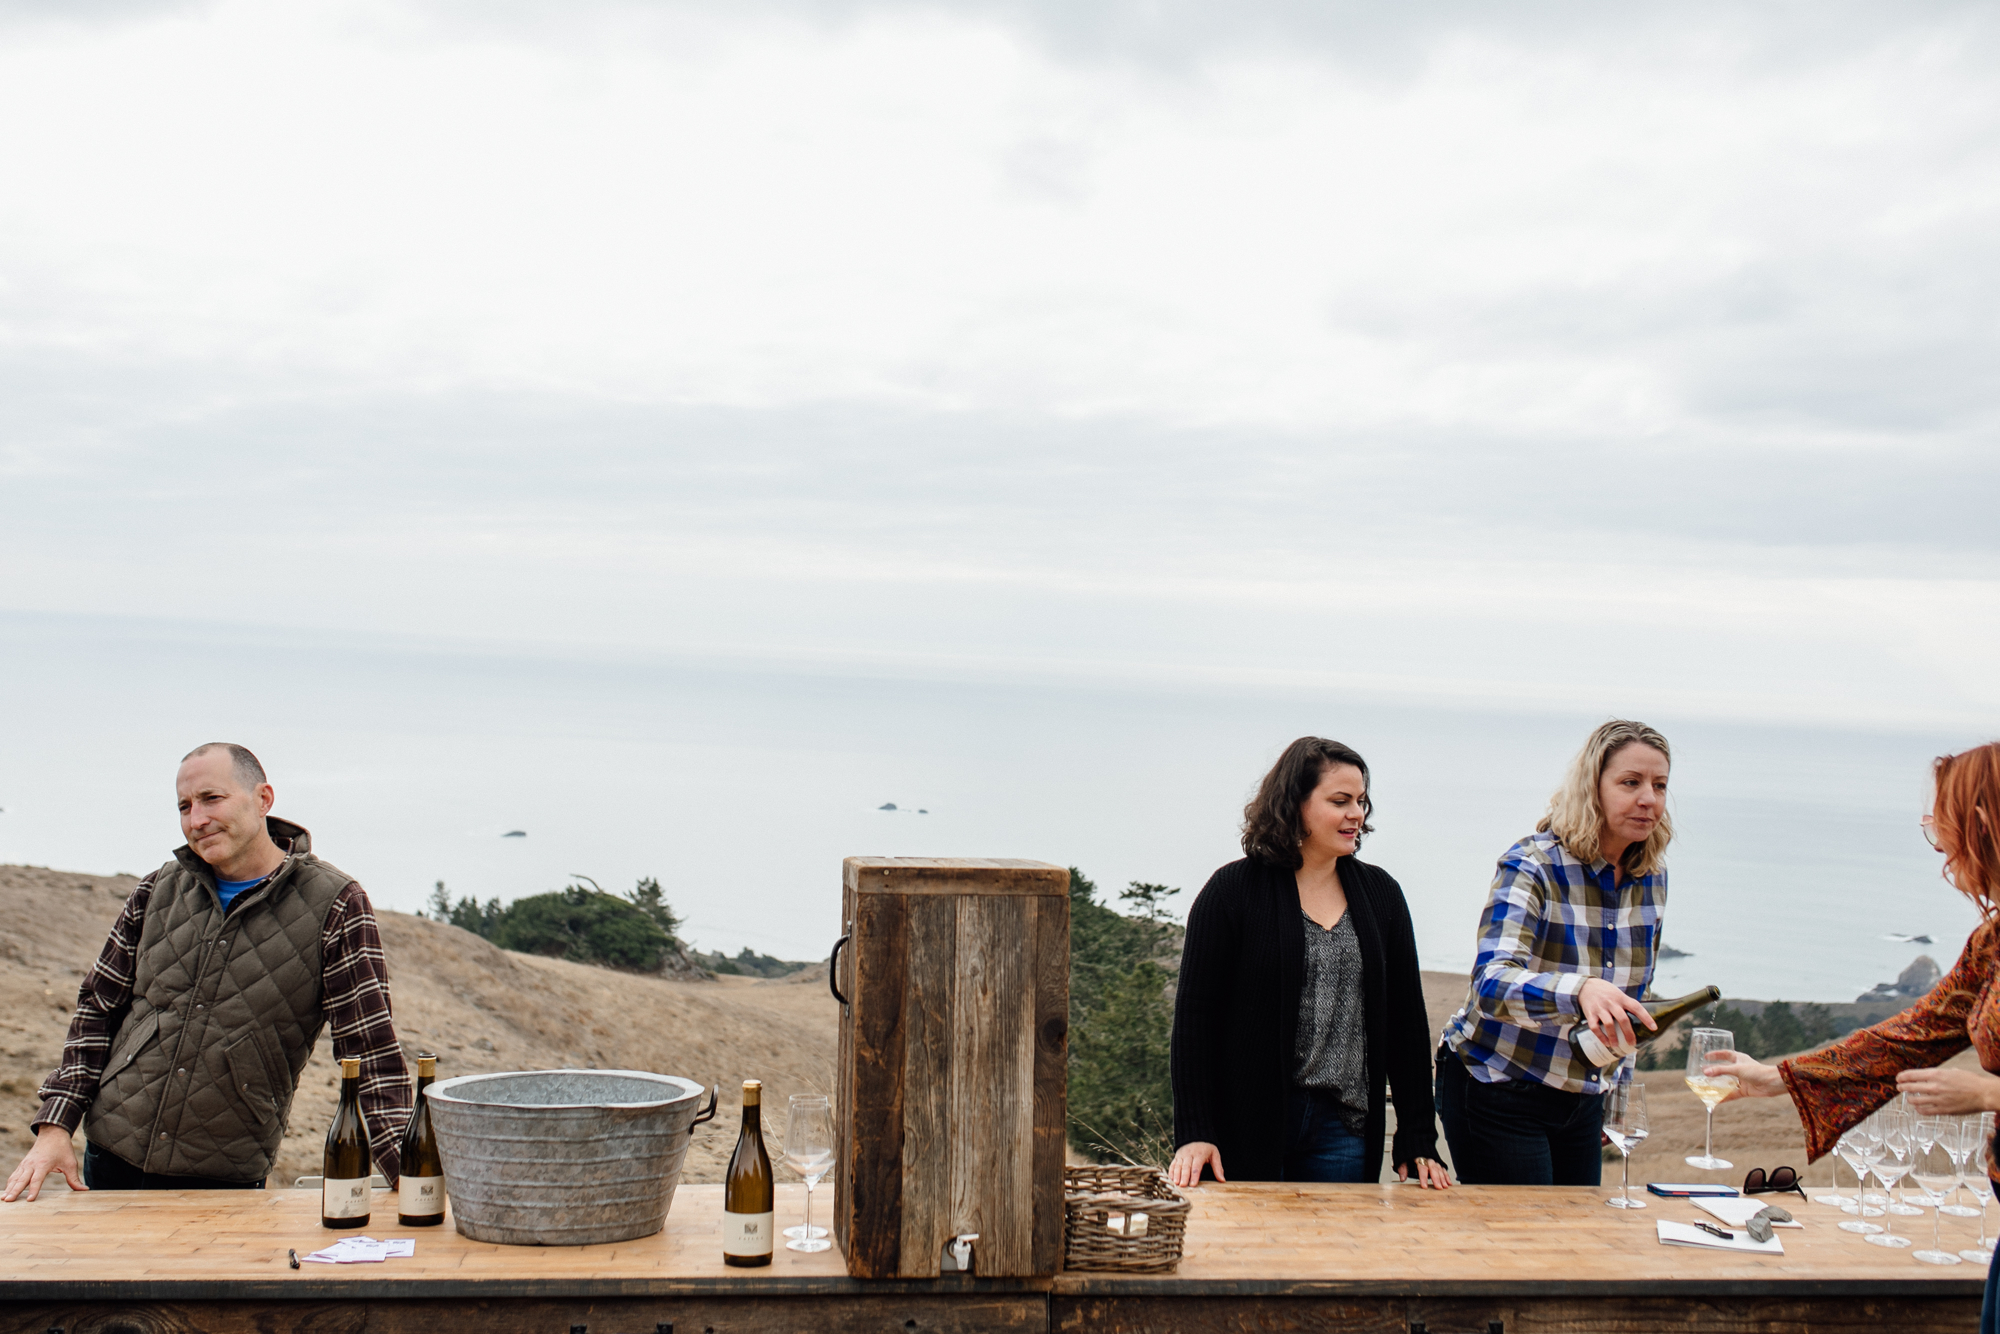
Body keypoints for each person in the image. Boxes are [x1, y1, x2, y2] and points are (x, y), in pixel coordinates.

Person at [2, 743, 410, 1202]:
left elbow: (371, 1053)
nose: (196, 819)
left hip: (224, 1178)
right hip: (109, 1157)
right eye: (184, 806)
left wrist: (410, 1180)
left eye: (211, 799)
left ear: (263, 799)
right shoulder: (157, 889)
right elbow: (97, 1010)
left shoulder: (335, 903)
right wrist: (56, 1126)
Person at [1706, 741, 2000, 1331]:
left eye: (1941, 823)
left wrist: (1992, 1096)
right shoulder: (1992, 942)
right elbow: (1910, 1035)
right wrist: (1777, 1078)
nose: (1939, 846)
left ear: (1983, 822)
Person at [1169, 737, 1450, 1189]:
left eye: (1361, 801)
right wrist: (1195, 1132)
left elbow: (1406, 1024)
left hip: (1344, 1128)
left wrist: (1417, 1135)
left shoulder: (1382, 896)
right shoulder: (1231, 892)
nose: (1356, 814)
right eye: (1340, 801)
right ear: (1294, 803)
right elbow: (1195, 1022)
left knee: (1335, 1258)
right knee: (1252, 1257)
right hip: (1247, 1126)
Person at [1435, 719, 1671, 1185]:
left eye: (1660, 785)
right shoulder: (1533, 864)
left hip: (1581, 1095)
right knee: (1523, 1247)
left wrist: (1616, 1099)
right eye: (1630, 783)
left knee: (1578, 1247)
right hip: (1497, 1083)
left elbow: (1629, 1006)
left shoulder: (1652, 878)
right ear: (1592, 788)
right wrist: (1580, 990)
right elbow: (1491, 985)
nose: (1649, 799)